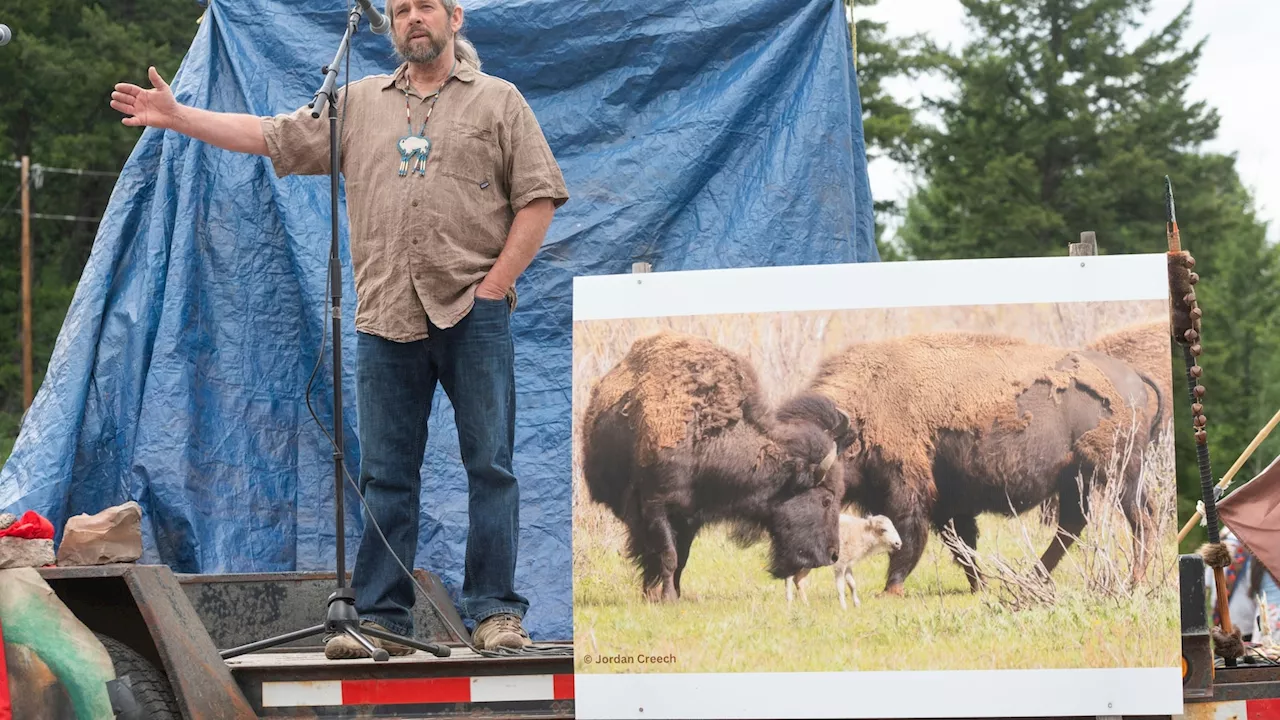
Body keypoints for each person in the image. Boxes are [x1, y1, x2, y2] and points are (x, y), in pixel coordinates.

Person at [110, 0, 569, 658]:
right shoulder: (356, 102)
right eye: (402, 9)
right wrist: (179, 117)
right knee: (387, 476)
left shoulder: (498, 101)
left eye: (426, 7)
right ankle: (385, 620)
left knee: (489, 467)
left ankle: (496, 612)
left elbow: (539, 197)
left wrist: (494, 289)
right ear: (390, 24)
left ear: (454, 17)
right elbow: (271, 135)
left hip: (474, 314)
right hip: (386, 317)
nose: (413, 18)